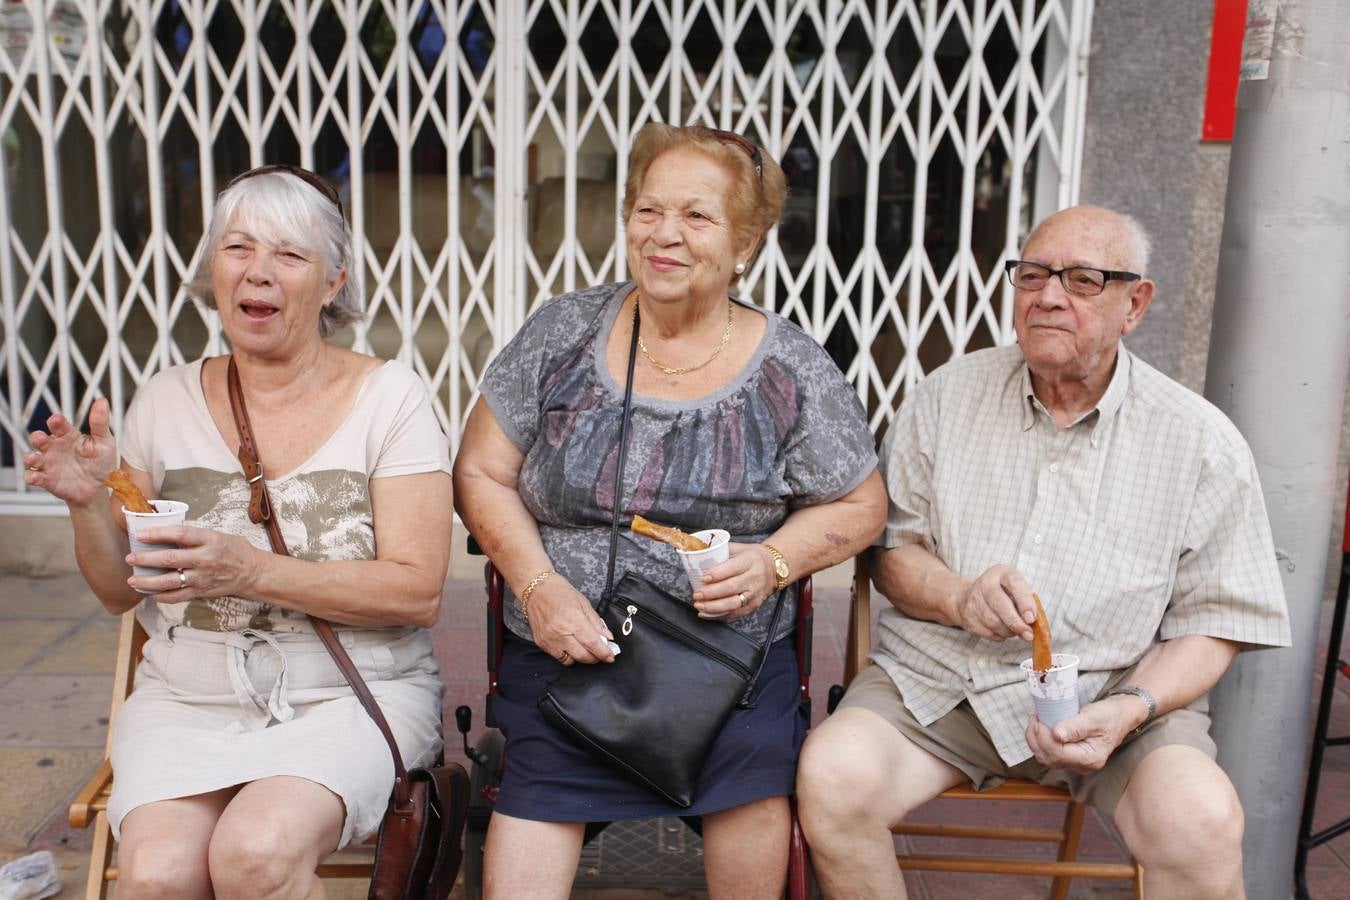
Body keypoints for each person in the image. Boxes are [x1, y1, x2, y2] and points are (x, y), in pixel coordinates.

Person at [797, 205, 1292, 900]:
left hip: (1113, 702)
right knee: (830, 777)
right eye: (1032, 274)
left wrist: (1135, 707)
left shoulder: (1199, 441)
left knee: (1202, 822)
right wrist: (959, 597)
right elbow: (891, 555)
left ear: (1136, 304)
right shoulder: (945, 397)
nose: (1048, 296)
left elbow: (1216, 623)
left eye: (1084, 280)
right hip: (942, 687)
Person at [453, 123, 887, 899]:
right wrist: (538, 587)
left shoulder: (790, 367)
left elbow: (861, 505)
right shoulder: (563, 331)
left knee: (750, 832)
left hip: (725, 668)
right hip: (567, 656)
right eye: (649, 211)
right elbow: (482, 472)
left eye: (697, 216)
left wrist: (774, 561)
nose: (665, 235)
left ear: (747, 240)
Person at [23, 165, 453, 899]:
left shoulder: (392, 399)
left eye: (289, 255)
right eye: (238, 248)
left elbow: (417, 593)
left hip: (348, 693)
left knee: (255, 853)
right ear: (212, 269)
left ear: (332, 282)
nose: (258, 273)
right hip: (191, 696)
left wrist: (250, 570)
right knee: (157, 873)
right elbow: (117, 593)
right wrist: (88, 505)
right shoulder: (163, 400)